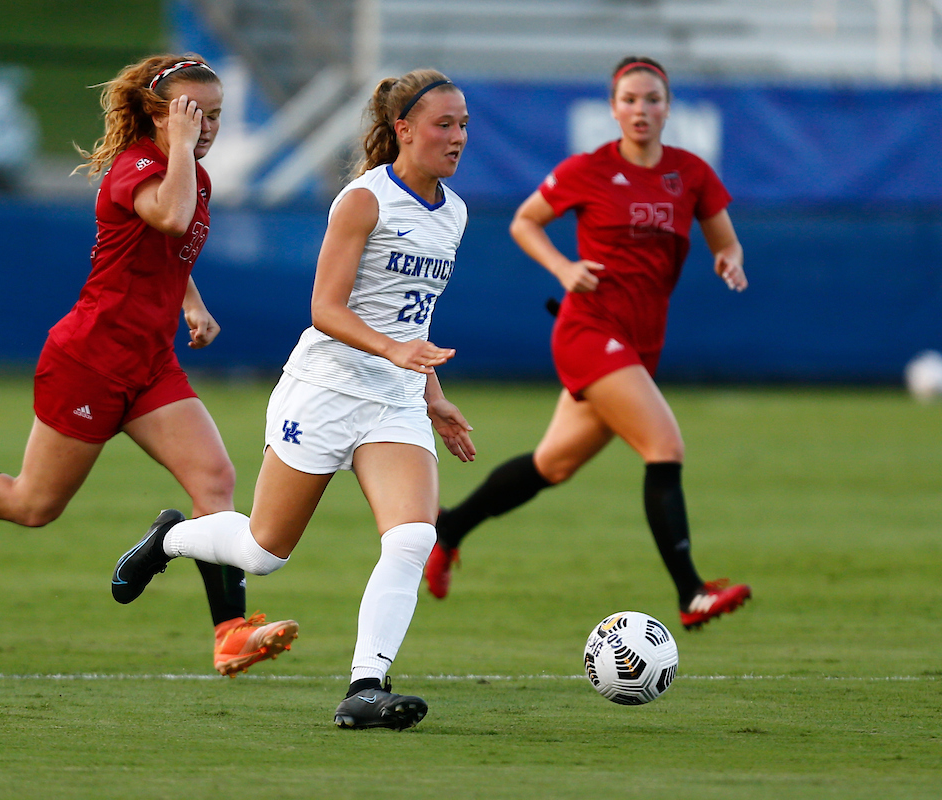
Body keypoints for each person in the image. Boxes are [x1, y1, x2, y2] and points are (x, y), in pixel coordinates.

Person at [0, 54, 298, 677]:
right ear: (158, 114)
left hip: (149, 365)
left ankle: (230, 633)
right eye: (193, 113)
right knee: (33, 505)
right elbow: (167, 216)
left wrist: (192, 304)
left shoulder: (191, 175)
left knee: (215, 482)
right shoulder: (136, 166)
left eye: (215, 114)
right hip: (88, 362)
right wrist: (186, 151)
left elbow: (168, 251)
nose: (207, 125)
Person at [111, 69, 476, 729]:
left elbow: (411, 322)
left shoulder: (453, 212)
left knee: (414, 537)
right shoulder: (363, 201)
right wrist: (395, 352)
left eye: (463, 125)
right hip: (325, 390)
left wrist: (433, 395)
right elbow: (326, 308)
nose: (457, 137)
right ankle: (172, 538)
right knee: (264, 551)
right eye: (443, 124)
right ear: (403, 130)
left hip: (393, 400)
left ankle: (366, 686)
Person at [426, 56, 752, 631]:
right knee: (664, 445)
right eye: (629, 99)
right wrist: (563, 266)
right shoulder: (589, 168)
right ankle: (692, 593)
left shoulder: (690, 173)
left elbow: (723, 238)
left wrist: (729, 258)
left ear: (667, 106)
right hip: (588, 331)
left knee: (551, 464)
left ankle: (448, 530)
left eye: (652, 99)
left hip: (640, 342)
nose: (641, 110)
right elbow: (524, 221)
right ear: (613, 108)